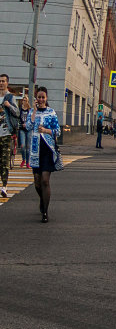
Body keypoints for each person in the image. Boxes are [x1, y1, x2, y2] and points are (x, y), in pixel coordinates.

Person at [22, 87, 63, 223]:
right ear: (36, 99)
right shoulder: (31, 112)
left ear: (46, 98)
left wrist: (45, 130)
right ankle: (42, 199)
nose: (40, 100)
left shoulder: (51, 113)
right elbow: (27, 126)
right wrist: (33, 111)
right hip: (35, 151)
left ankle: (45, 211)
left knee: (45, 180)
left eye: (43, 97)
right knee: (37, 183)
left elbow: (58, 131)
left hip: (47, 150)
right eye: (38, 97)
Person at [0, 74, 18, 198]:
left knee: (4, 162)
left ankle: (4, 187)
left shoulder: (10, 97)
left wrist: (8, 105)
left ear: (7, 83)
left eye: (3, 81)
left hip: (5, 134)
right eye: (0, 81)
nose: (1, 83)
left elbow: (17, 112)